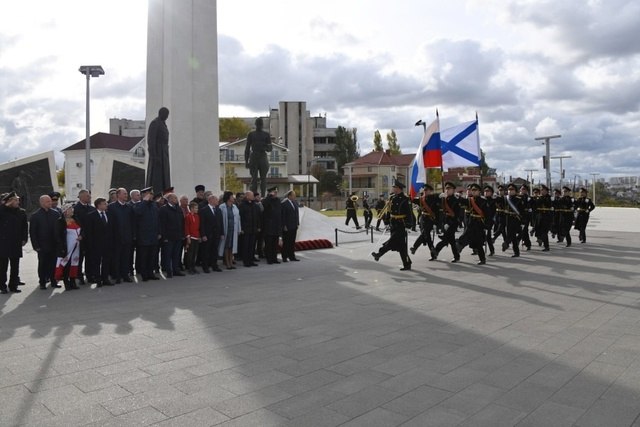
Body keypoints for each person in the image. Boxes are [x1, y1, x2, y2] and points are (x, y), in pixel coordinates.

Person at [371, 180, 414, 270]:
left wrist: (408, 225)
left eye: (394, 187)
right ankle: (407, 264)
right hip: (393, 223)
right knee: (401, 246)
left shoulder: (405, 199)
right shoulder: (392, 198)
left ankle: (379, 253)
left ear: (398, 188)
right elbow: (389, 211)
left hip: (401, 224)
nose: (393, 189)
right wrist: (386, 222)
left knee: (392, 241)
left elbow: (409, 213)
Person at [82, 197, 118, 286]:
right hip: (96, 244)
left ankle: (105, 278)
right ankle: (98, 279)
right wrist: (90, 245)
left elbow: (113, 229)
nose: (106, 205)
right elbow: (89, 232)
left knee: (106, 262)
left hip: (108, 243)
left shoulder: (109, 215)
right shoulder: (91, 216)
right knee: (96, 262)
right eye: (104, 204)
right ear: (99, 205)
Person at [30, 195, 61, 289]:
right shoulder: (35, 216)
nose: (50, 203)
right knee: (43, 264)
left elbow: (59, 229)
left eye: (50, 201)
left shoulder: (56, 214)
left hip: (54, 244)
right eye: (47, 202)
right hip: (42, 245)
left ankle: (53, 281)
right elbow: (33, 232)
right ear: (42, 203)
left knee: (53, 263)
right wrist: (36, 246)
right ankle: (42, 281)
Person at [0, 192, 28, 294]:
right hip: (3, 242)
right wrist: (4, 205)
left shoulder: (21, 212)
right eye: (15, 200)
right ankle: (2, 285)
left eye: (18, 200)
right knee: (3, 266)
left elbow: (25, 227)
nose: (18, 202)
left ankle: (13, 285)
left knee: (15, 266)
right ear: (9, 201)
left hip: (16, 242)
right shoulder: (2, 211)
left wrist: (24, 239)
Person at [456, 183, 489, 265]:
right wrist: (457, 197)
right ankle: (459, 246)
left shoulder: (483, 201)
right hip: (471, 222)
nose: (473, 192)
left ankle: (482, 259)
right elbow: (463, 201)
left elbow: (488, 215)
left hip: (479, 223)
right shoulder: (470, 200)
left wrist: (487, 225)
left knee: (478, 242)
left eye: (475, 190)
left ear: (479, 191)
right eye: (472, 190)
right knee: (466, 235)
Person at [133, 187, 161, 281]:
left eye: (151, 194)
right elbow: (137, 213)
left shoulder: (154, 205)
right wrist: (144, 201)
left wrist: (158, 232)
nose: (151, 196)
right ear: (144, 195)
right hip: (143, 236)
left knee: (152, 256)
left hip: (153, 235)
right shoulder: (139, 205)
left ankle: (150, 273)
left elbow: (157, 220)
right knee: (144, 256)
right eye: (149, 194)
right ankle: (144, 274)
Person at [109, 188, 135, 283]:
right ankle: (117, 275)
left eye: (126, 193)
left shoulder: (129, 207)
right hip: (116, 238)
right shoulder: (111, 207)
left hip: (127, 237)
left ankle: (125, 275)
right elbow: (110, 224)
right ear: (118, 195)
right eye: (124, 194)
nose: (126, 195)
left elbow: (132, 222)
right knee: (116, 258)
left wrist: (132, 235)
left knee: (126, 257)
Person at [54, 203, 81, 290]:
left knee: (74, 263)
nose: (72, 210)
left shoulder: (75, 219)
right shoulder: (60, 221)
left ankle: (73, 281)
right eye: (70, 209)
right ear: (65, 212)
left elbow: (83, 229)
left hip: (76, 247)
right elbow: (58, 235)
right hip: (66, 247)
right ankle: (66, 282)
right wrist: (61, 247)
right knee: (66, 265)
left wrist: (82, 236)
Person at [432, 182, 461, 263]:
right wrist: (438, 196)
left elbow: (456, 215)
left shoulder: (455, 200)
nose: (447, 190)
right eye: (446, 188)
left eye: (449, 189)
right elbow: (434, 201)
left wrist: (450, 223)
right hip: (445, 221)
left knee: (447, 239)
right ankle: (456, 256)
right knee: (451, 240)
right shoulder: (444, 198)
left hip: (453, 222)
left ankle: (436, 250)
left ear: (453, 190)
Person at [159, 193, 185, 277]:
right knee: (168, 254)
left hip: (178, 235)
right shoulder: (164, 209)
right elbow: (162, 224)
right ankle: (168, 271)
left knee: (176, 254)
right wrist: (164, 237)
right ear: (169, 199)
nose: (176, 199)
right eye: (174, 198)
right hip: (168, 236)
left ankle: (176, 269)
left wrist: (182, 234)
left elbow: (182, 222)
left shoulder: (178, 209)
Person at [410, 184, 439, 259]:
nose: (425, 191)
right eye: (424, 190)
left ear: (430, 191)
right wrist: (410, 196)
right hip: (423, 219)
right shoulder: (421, 199)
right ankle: (433, 252)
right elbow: (412, 200)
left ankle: (415, 247)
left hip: (430, 219)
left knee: (425, 233)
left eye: (426, 190)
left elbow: (438, 211)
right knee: (425, 235)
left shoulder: (434, 198)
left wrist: (437, 222)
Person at [245, 118, 272, 197]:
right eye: (258, 124)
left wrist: (265, 147)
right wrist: (246, 161)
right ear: (256, 124)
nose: (259, 125)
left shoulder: (266, 134)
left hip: (262, 156)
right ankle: (254, 196)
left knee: (263, 179)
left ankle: (263, 196)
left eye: (261, 124)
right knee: (254, 179)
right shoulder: (251, 134)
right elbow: (247, 148)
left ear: (262, 125)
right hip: (254, 157)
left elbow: (270, 148)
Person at [146, 107, 171, 192]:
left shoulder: (163, 123)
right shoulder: (155, 123)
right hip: (158, 153)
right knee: (157, 177)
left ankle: (165, 191)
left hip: (164, 153)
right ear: (161, 114)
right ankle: (157, 193)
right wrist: (154, 156)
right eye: (166, 115)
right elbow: (151, 141)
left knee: (165, 177)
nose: (167, 117)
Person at [73, 189, 95, 284]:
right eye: (87, 196)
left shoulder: (91, 208)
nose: (89, 197)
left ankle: (90, 275)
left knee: (90, 258)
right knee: (79, 258)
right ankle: (79, 276)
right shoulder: (75, 209)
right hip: (80, 237)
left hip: (90, 237)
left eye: (89, 196)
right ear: (81, 197)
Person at [199, 194, 223, 273]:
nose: (217, 201)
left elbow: (220, 222)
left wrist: (222, 233)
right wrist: (203, 235)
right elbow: (202, 224)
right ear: (211, 200)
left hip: (216, 234)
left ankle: (214, 265)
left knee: (214, 251)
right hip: (208, 234)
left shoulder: (218, 210)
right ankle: (205, 267)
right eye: (216, 200)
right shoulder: (204, 210)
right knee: (206, 251)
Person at [502, 183, 526, 257]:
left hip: (516, 219)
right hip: (508, 219)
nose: (510, 191)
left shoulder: (519, 199)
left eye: (512, 189)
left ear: (515, 191)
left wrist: (523, 221)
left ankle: (506, 243)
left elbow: (522, 211)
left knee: (512, 233)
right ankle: (516, 252)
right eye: (509, 189)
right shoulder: (506, 198)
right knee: (513, 237)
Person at [219, 191, 241, 269]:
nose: (233, 198)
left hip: (233, 229)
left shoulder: (234, 206)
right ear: (228, 197)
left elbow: (238, 219)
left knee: (232, 246)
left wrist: (239, 229)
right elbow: (220, 220)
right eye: (232, 196)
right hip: (226, 229)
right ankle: (227, 262)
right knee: (226, 246)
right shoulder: (222, 207)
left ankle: (231, 262)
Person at [239, 191, 260, 267]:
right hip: (246, 229)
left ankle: (251, 260)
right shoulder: (242, 205)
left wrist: (258, 226)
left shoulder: (255, 205)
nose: (253, 197)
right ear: (247, 196)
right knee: (246, 246)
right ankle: (246, 261)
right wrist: (241, 228)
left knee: (252, 246)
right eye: (251, 195)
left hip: (253, 229)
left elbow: (258, 217)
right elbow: (240, 218)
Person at [262, 186, 282, 264]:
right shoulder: (266, 200)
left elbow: (279, 212)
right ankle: (269, 259)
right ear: (270, 193)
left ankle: (274, 258)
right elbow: (265, 205)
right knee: (269, 244)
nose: (276, 194)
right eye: (274, 192)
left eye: (276, 192)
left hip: (276, 226)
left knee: (274, 244)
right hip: (269, 226)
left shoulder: (278, 200)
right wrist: (269, 196)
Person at [281, 190, 300, 262]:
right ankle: (284, 257)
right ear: (289, 196)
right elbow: (283, 215)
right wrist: (284, 225)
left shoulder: (295, 203)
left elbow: (296, 214)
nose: (295, 196)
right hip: (287, 226)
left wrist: (297, 223)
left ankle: (292, 256)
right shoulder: (284, 203)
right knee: (286, 242)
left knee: (292, 242)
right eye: (293, 195)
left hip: (294, 225)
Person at [533, 184, 554, 251]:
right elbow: (535, 206)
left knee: (544, 232)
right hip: (540, 216)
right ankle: (541, 240)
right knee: (539, 230)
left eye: (543, 190)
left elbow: (548, 204)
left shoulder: (549, 198)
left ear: (547, 191)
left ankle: (546, 246)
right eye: (541, 190)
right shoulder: (539, 197)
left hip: (547, 217)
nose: (542, 191)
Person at [184, 201, 201, 274]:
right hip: (191, 237)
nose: (197, 209)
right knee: (190, 253)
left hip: (196, 237)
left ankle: (193, 267)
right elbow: (186, 227)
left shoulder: (197, 216)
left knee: (195, 253)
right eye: (196, 208)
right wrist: (188, 237)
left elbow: (198, 227)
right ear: (191, 208)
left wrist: (199, 236)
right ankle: (189, 267)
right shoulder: (188, 216)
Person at [483, 185, 496, 256]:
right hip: (481, 220)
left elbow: (493, 213)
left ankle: (492, 250)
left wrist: (490, 221)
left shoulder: (492, 201)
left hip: (489, 221)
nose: (486, 192)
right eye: (485, 191)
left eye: (487, 191)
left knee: (488, 236)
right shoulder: (482, 200)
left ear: (491, 193)